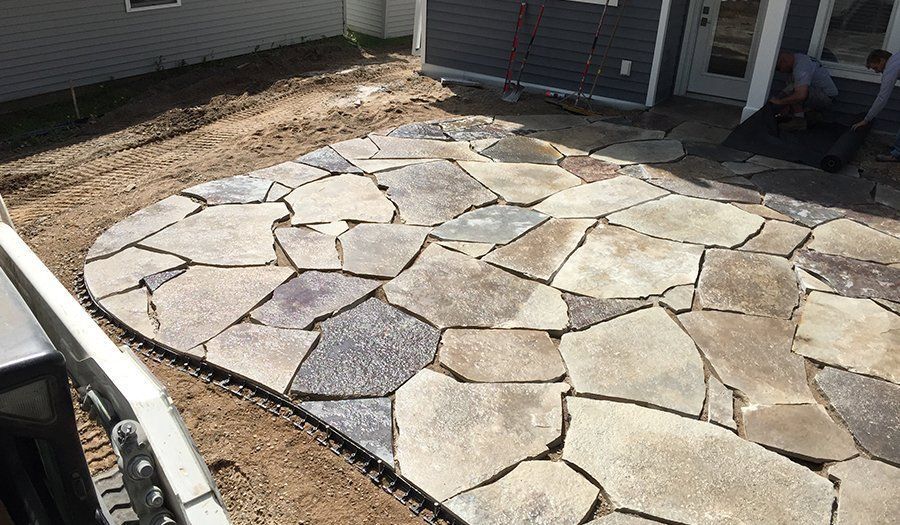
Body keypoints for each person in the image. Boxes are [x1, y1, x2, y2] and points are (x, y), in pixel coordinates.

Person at [851, 49, 900, 162]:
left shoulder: (891, 69)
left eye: (875, 68)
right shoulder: (896, 58)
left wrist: (866, 120)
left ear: (882, 60)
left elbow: (882, 98)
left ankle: (897, 154)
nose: (877, 72)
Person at [769, 51, 839, 119]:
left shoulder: (801, 67)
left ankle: (799, 121)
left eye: (778, 68)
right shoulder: (798, 59)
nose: (781, 71)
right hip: (817, 93)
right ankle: (811, 116)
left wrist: (780, 102)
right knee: (791, 91)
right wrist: (780, 101)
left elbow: (801, 95)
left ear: (784, 61)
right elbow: (787, 90)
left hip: (828, 97)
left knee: (796, 92)